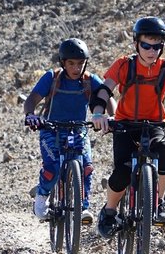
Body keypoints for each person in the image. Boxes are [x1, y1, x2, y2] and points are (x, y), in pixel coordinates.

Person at [90, 16, 165, 239]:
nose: (152, 51)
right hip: (125, 124)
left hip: (154, 124)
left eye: (157, 46)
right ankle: (110, 211)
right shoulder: (123, 65)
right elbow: (104, 90)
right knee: (122, 173)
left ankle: (158, 203)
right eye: (146, 45)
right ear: (136, 43)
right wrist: (98, 113)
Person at [23, 38, 114, 224]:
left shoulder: (90, 80)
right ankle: (41, 196)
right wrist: (30, 115)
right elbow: (31, 99)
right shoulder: (52, 77)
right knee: (53, 167)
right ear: (63, 63)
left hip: (79, 130)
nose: (76, 68)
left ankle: (83, 207)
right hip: (51, 129)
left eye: (80, 63)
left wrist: (113, 117)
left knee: (86, 167)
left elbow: (108, 98)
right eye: (71, 63)